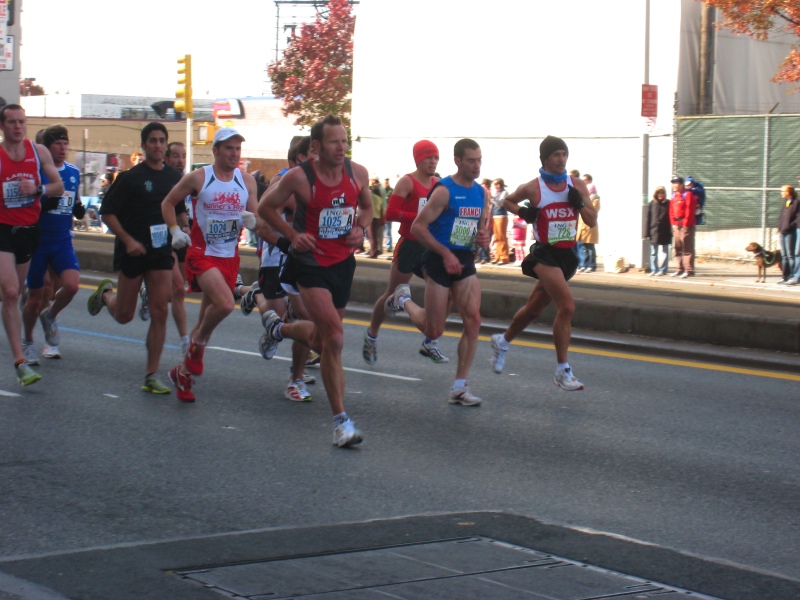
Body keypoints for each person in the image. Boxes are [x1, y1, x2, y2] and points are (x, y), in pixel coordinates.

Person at [258, 114, 373, 448]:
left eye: (345, 140)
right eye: (335, 141)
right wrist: (293, 235)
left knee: (326, 343)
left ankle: (278, 328)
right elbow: (265, 208)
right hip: (309, 264)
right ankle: (341, 423)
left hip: (342, 264)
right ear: (317, 147)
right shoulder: (299, 177)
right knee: (334, 339)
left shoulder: (358, 173)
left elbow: (366, 208)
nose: (342, 147)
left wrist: (361, 228)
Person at [383, 138, 491, 406]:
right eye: (471, 160)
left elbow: (479, 227)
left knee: (474, 320)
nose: (476, 165)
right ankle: (403, 299)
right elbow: (419, 228)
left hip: (463, 261)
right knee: (434, 330)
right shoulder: (444, 191)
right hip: (438, 260)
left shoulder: (481, 193)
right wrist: (445, 254)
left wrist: (483, 237)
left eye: (479, 160)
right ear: (457, 161)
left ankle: (459, 387)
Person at [489, 135, 597, 391]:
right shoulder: (534, 187)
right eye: (556, 155)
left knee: (534, 309)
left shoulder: (576, 184)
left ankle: (501, 342)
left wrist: (579, 203)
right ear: (545, 159)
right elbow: (506, 200)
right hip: (544, 254)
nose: (561, 160)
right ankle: (563, 371)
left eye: (564, 154)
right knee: (567, 307)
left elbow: (591, 221)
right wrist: (524, 212)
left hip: (567, 255)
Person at [162, 128, 258, 402]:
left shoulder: (247, 181)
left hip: (229, 257)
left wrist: (253, 220)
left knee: (207, 317)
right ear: (215, 151)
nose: (234, 153)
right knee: (226, 304)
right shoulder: (199, 178)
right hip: (202, 254)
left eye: (238, 148)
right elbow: (168, 203)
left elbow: (256, 214)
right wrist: (175, 231)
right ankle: (197, 345)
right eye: (228, 148)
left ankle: (182, 376)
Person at [87, 122, 184, 394]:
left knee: (160, 310)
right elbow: (107, 213)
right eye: (152, 140)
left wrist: (183, 228)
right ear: (143, 146)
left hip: (161, 250)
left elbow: (179, 211)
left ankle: (151, 375)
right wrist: (128, 240)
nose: (157, 145)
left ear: (166, 144)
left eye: (161, 140)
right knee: (124, 315)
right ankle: (106, 294)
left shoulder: (173, 178)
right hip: (133, 251)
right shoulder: (130, 178)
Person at [363, 140, 450, 367]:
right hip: (410, 245)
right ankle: (372, 335)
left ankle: (430, 340)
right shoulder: (407, 182)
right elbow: (390, 212)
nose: (433, 161)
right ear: (418, 159)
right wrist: (419, 218)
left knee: (442, 289)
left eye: (436, 158)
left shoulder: (438, 183)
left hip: (428, 246)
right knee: (390, 294)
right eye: (428, 157)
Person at [0, 105, 64, 385]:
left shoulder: (38, 152)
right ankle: (20, 361)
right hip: (2, 229)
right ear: (2, 126)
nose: (18, 126)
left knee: (14, 293)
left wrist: (37, 189)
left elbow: (58, 186)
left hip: (28, 230)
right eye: (12, 122)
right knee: (12, 292)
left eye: (22, 122)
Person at [21, 125, 83, 362]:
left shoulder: (73, 172)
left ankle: (50, 316)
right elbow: (25, 205)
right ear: (47, 148)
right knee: (37, 295)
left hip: (62, 240)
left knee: (71, 286)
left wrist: (78, 208)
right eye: (58, 143)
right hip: (38, 242)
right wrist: (41, 205)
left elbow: (75, 202)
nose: (63, 147)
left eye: (65, 143)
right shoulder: (38, 171)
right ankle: (28, 341)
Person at [164, 140, 191, 352]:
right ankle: (185, 341)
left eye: (183, 156)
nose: (180, 160)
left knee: (179, 290)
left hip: (180, 239)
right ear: (166, 158)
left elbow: (181, 210)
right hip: (161, 240)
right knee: (178, 290)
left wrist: (186, 227)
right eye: (175, 156)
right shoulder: (161, 178)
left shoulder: (185, 180)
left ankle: (151, 291)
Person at [669, 175, 697, 278]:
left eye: (676, 183)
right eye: (673, 183)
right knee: (678, 247)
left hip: (686, 225)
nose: (674, 185)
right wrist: (673, 223)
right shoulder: (674, 196)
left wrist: (686, 224)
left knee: (687, 247)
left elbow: (689, 210)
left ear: (681, 184)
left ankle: (688, 270)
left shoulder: (687, 194)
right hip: (677, 225)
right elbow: (671, 210)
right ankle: (679, 269)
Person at [644, 186, 672, 276]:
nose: (661, 195)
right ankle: (654, 269)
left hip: (665, 231)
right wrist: (646, 233)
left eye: (662, 193)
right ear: (656, 194)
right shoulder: (652, 204)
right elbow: (647, 219)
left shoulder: (668, 203)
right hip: (654, 231)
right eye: (659, 193)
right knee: (653, 252)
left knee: (665, 252)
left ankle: (663, 269)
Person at [777, 184, 799, 284]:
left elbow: (797, 217)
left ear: (788, 192)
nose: (781, 193)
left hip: (790, 232)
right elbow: (782, 216)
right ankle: (784, 276)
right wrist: (779, 226)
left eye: (783, 191)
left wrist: (790, 226)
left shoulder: (796, 202)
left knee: (790, 255)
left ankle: (791, 275)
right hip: (782, 231)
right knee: (784, 255)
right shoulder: (786, 202)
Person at [575, 193, 600, 273]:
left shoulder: (595, 200)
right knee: (582, 247)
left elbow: (593, 211)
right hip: (581, 226)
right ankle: (582, 265)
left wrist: (583, 204)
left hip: (589, 227)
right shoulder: (583, 198)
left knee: (589, 247)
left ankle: (591, 265)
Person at [491, 178, 510, 264]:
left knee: (502, 237)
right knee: (497, 237)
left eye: (496, 184)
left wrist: (490, 198)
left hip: (501, 216)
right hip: (495, 216)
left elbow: (499, 204)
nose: (495, 186)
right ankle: (498, 256)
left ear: (499, 184)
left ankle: (504, 257)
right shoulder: (497, 193)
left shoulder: (504, 192)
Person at [476, 178, 493, 264]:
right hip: (482, 215)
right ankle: (481, 256)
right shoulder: (483, 191)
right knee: (480, 236)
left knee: (483, 235)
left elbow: (487, 205)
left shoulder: (485, 191)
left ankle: (484, 256)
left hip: (485, 216)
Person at [383, 177, 394, 251]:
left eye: (387, 182)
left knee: (388, 230)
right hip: (381, 213)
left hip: (388, 213)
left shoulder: (391, 191)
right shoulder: (381, 190)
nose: (386, 183)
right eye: (385, 182)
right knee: (382, 230)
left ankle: (389, 245)